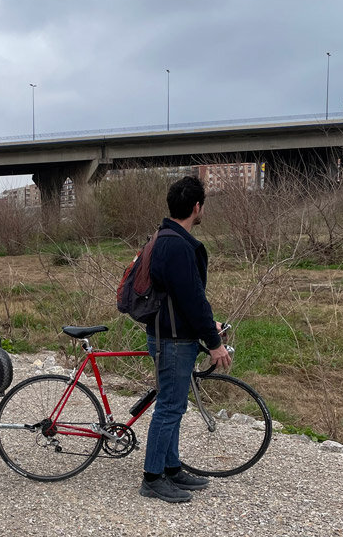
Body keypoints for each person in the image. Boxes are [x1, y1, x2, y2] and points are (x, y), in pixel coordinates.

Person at [138, 175, 232, 503]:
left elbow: (178, 297)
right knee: (169, 408)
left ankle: (172, 467)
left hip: (171, 334)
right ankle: (152, 478)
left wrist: (208, 325)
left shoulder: (163, 238)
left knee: (174, 406)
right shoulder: (177, 245)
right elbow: (192, 299)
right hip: (173, 340)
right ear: (196, 207)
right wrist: (214, 342)